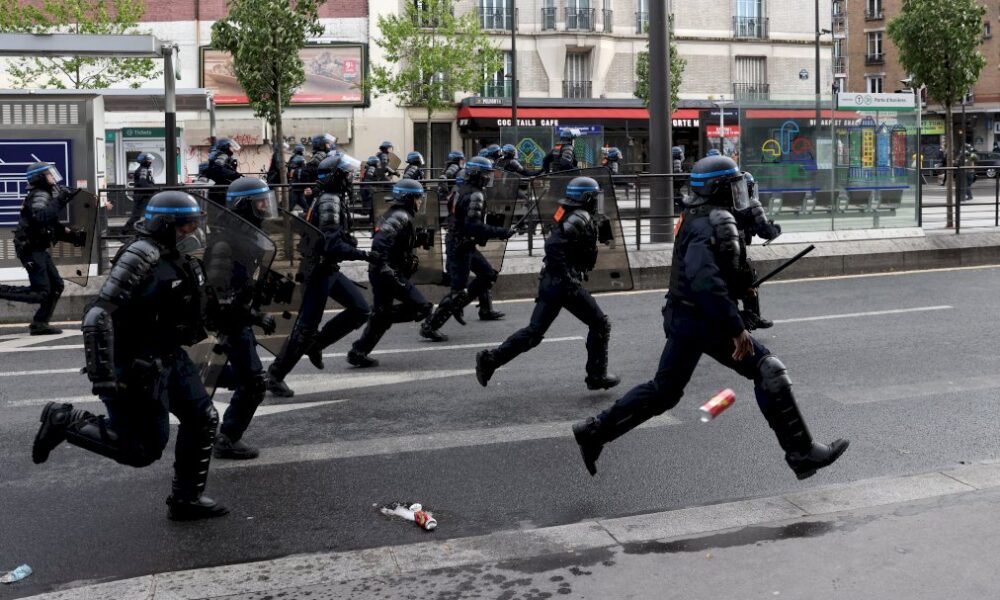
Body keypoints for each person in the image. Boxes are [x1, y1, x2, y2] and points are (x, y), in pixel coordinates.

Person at [572, 155, 849, 480]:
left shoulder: (699, 215)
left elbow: (715, 269)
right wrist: (736, 328)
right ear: (719, 189)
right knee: (767, 369)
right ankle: (801, 453)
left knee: (664, 392)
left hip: (685, 315)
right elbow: (705, 281)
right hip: (702, 319)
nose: (739, 192)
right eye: (733, 186)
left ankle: (594, 431)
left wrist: (741, 287)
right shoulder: (713, 221)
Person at [32, 190, 230, 521]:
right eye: (185, 225)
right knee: (141, 450)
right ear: (164, 225)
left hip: (170, 356)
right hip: (137, 365)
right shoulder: (141, 255)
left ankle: (186, 499)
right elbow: (98, 315)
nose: (192, 231)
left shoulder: (180, 258)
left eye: (195, 224)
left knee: (202, 419)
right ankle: (64, 420)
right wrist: (103, 375)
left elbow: (198, 309)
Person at [475, 177, 620, 391]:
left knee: (534, 332)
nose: (598, 200)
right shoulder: (579, 216)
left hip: (551, 282)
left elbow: (569, 240)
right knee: (600, 324)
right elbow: (553, 246)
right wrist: (567, 277)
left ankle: (490, 360)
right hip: (564, 285)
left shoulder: (570, 212)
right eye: (595, 196)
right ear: (586, 197)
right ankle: (597, 376)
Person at [265, 152, 374, 398]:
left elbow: (329, 236)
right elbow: (331, 244)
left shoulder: (331, 197)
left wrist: (348, 240)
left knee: (360, 309)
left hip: (328, 269)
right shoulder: (329, 201)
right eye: (347, 174)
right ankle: (275, 375)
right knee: (305, 329)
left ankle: (316, 345)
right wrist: (364, 254)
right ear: (336, 177)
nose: (351, 178)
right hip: (317, 272)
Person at [208, 177, 280, 459]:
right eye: (260, 203)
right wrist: (255, 315)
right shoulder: (226, 243)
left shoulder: (246, 237)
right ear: (243, 206)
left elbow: (243, 281)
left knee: (244, 377)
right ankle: (227, 438)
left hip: (238, 320)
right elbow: (221, 297)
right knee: (253, 382)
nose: (265, 208)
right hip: (231, 323)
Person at [420, 156, 514, 341]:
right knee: (458, 292)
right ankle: (430, 325)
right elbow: (474, 226)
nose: (488, 177)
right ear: (476, 174)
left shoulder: (460, 188)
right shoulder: (475, 195)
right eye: (486, 173)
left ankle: (464, 305)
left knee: (487, 275)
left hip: (462, 242)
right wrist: (502, 232)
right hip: (460, 245)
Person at [347, 179, 436, 368]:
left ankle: (358, 352)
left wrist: (417, 240)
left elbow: (393, 241)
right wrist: (387, 269)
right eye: (418, 197)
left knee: (383, 315)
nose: (420, 201)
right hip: (388, 274)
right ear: (408, 198)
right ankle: (379, 315)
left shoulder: (398, 214)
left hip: (383, 273)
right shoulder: (400, 216)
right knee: (423, 308)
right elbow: (380, 243)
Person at [0, 163, 86, 335]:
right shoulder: (40, 195)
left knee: (56, 286)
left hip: (38, 247)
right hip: (30, 248)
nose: (53, 177)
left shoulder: (44, 194)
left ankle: (40, 323)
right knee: (40, 292)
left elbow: (50, 225)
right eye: (49, 174)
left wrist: (74, 237)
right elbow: (40, 218)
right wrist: (61, 199)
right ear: (39, 178)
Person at [734, 172, 780, 330]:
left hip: (718, 252)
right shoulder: (751, 203)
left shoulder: (723, 203)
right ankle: (753, 317)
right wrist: (775, 230)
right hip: (737, 250)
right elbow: (765, 231)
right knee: (749, 279)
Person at [201, 138, 242, 205]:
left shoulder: (223, 156)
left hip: (220, 188)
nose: (233, 148)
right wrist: (234, 174)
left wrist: (236, 174)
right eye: (231, 146)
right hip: (220, 190)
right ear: (226, 147)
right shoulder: (223, 156)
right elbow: (218, 168)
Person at [300, 133, 337, 204]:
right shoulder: (320, 156)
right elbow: (306, 171)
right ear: (321, 146)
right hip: (318, 193)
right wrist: (308, 187)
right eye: (327, 144)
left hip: (320, 190)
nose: (329, 146)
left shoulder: (325, 155)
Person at [125, 153, 156, 232]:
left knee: (142, 215)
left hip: (143, 195)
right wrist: (153, 188)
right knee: (136, 216)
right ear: (145, 161)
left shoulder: (144, 169)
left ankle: (143, 230)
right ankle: (124, 232)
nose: (151, 162)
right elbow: (142, 182)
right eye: (149, 160)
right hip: (142, 196)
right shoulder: (143, 170)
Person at [287, 144, 308, 211]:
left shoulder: (293, 158)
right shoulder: (301, 159)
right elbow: (303, 171)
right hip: (298, 184)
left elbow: (290, 170)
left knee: (300, 202)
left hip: (295, 184)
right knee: (293, 204)